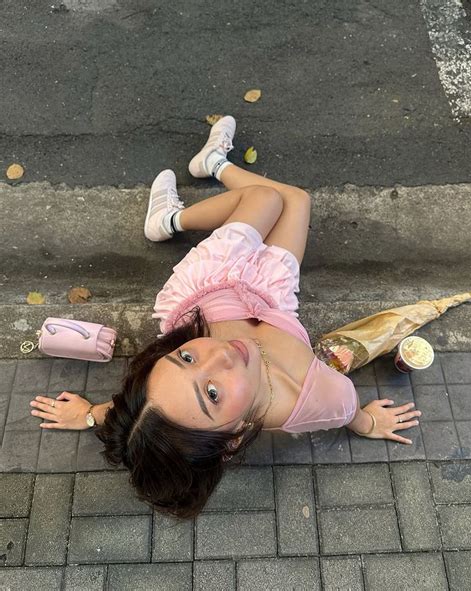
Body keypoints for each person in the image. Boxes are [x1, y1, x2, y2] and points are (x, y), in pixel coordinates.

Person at [29, 116, 421, 519]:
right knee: (295, 200)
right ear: (233, 439)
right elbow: (351, 414)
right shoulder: (324, 399)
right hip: (272, 296)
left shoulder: (167, 402)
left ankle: (168, 220)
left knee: (266, 198)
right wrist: (369, 424)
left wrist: (88, 415)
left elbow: (139, 416)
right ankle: (212, 164)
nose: (220, 354)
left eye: (185, 357)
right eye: (213, 394)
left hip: (211, 288)